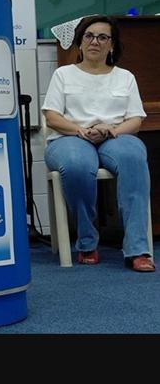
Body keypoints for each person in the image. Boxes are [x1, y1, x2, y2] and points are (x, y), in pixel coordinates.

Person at [42, 15, 154, 272]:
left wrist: (112, 130)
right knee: (77, 164)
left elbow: (135, 120)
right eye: (89, 36)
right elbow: (52, 117)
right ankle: (87, 240)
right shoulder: (63, 74)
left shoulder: (125, 77)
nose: (95, 41)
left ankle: (137, 249)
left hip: (115, 136)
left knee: (134, 157)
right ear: (80, 42)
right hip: (69, 137)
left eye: (103, 37)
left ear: (112, 45)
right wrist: (80, 130)